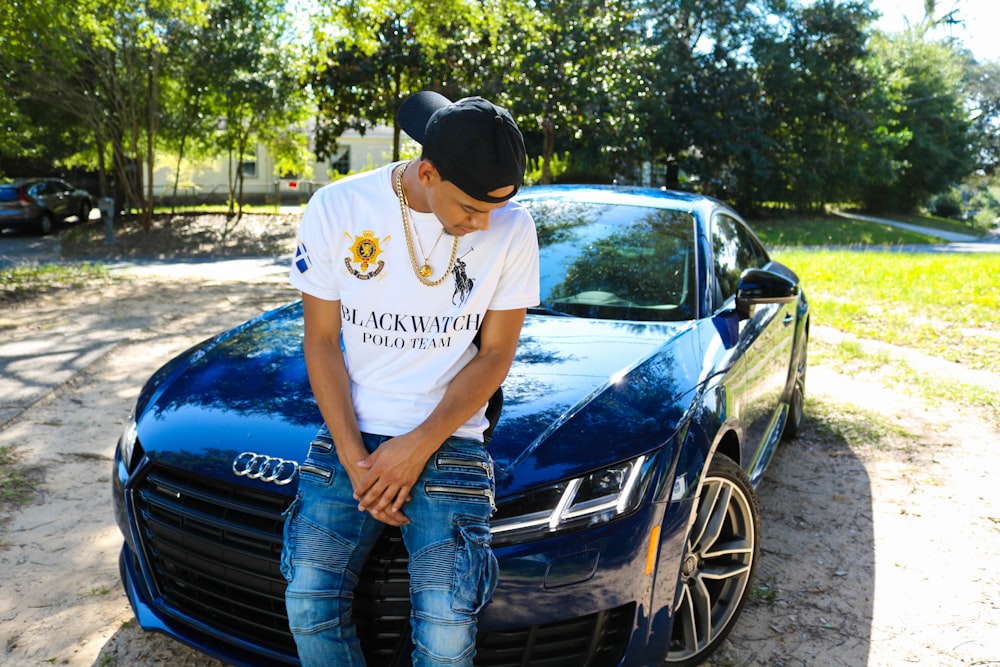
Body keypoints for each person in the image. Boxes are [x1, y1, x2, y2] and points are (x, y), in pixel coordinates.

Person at [280, 90, 540, 667]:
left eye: (496, 209)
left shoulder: (513, 229)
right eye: (472, 209)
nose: (484, 224)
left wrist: (415, 447)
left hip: (449, 440)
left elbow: (495, 356)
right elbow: (321, 342)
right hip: (352, 435)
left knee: (448, 634)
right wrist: (354, 458)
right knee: (307, 601)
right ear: (427, 172)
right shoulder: (337, 207)